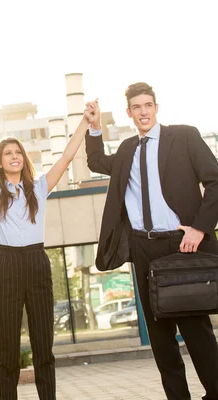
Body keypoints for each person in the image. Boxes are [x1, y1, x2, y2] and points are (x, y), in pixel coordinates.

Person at [85, 82, 218, 400]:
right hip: (144, 248)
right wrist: (94, 128)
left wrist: (199, 229)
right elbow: (96, 162)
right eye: (136, 107)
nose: (143, 111)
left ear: (156, 107)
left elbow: (215, 182)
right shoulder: (128, 149)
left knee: (195, 329)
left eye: (148, 105)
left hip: (181, 245)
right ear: (129, 113)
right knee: (160, 338)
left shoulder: (184, 136)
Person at [0, 98, 97, 400]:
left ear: (24, 158)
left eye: (17, 151)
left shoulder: (39, 187)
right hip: (8, 265)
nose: (14, 156)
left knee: (43, 347)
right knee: (8, 351)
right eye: (7, 153)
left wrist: (85, 122)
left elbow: (66, 156)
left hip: (37, 262)